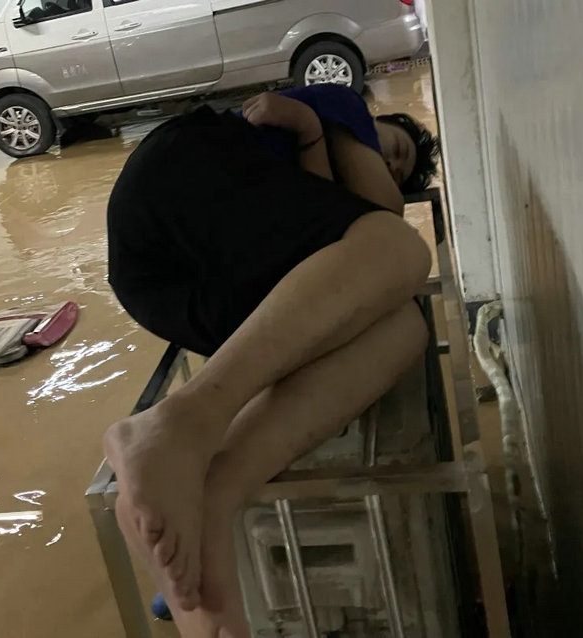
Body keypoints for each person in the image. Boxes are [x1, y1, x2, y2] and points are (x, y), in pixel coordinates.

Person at [104, 83, 439, 637]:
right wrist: (318, 129)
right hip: (176, 179)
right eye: (392, 147)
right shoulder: (338, 103)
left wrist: (310, 141)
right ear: (373, 122)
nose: (388, 163)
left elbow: (325, 251)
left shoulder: (297, 202)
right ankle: (180, 422)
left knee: (404, 329)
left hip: (170, 287)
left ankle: (215, 497)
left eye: (398, 168)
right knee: (402, 250)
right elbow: (387, 211)